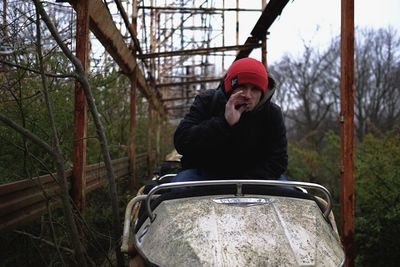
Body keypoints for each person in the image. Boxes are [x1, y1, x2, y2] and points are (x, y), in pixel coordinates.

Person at [172, 57, 287, 182]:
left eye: (255, 89)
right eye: (242, 86)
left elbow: (278, 160)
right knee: (176, 191)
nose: (248, 96)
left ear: (262, 93)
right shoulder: (207, 101)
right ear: (230, 88)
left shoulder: (272, 113)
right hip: (204, 174)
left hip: (255, 178)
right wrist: (224, 123)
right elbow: (182, 142)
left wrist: (243, 183)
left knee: (292, 197)